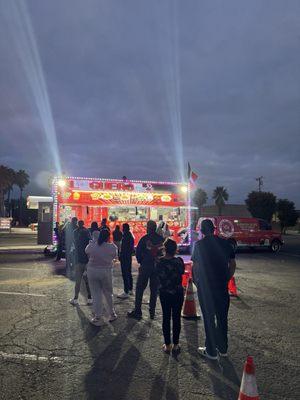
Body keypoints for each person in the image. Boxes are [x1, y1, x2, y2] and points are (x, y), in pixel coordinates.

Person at [191, 219, 236, 360]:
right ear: (214, 229)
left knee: (209, 319)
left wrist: (197, 283)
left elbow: (195, 266)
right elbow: (232, 264)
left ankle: (211, 351)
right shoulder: (226, 243)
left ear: (202, 231)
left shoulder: (199, 245)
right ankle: (223, 349)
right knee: (222, 318)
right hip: (221, 288)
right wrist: (226, 278)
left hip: (206, 288)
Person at [127, 220, 164, 320]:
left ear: (148, 228)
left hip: (145, 266)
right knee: (154, 290)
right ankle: (152, 312)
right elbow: (163, 254)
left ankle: (138, 311)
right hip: (156, 267)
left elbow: (138, 252)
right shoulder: (161, 239)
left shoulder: (144, 239)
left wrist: (142, 261)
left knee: (140, 288)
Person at [156, 239, 185, 353]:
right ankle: (176, 344)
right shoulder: (179, 261)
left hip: (165, 293)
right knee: (176, 318)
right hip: (177, 292)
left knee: (166, 317)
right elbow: (182, 273)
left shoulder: (159, 262)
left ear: (164, 249)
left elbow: (158, 276)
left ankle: (167, 344)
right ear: (175, 250)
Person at [85, 229, 118, 326]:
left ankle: (97, 316)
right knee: (108, 293)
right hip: (106, 271)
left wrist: (92, 242)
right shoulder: (112, 247)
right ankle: (112, 314)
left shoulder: (92, 245)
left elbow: (86, 251)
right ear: (108, 237)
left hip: (92, 271)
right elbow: (114, 256)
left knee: (96, 294)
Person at [69, 220, 92, 305]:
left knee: (78, 282)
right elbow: (90, 243)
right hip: (86, 261)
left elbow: (73, 244)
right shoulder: (87, 232)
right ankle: (90, 298)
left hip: (78, 260)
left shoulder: (75, 232)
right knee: (87, 281)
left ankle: (75, 299)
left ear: (78, 224)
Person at [117, 223, 134, 299]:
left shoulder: (126, 236)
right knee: (129, 273)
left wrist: (120, 256)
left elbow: (124, 248)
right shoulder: (129, 235)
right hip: (128, 257)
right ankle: (130, 289)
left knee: (125, 273)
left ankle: (126, 291)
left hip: (125, 257)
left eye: (123, 227)